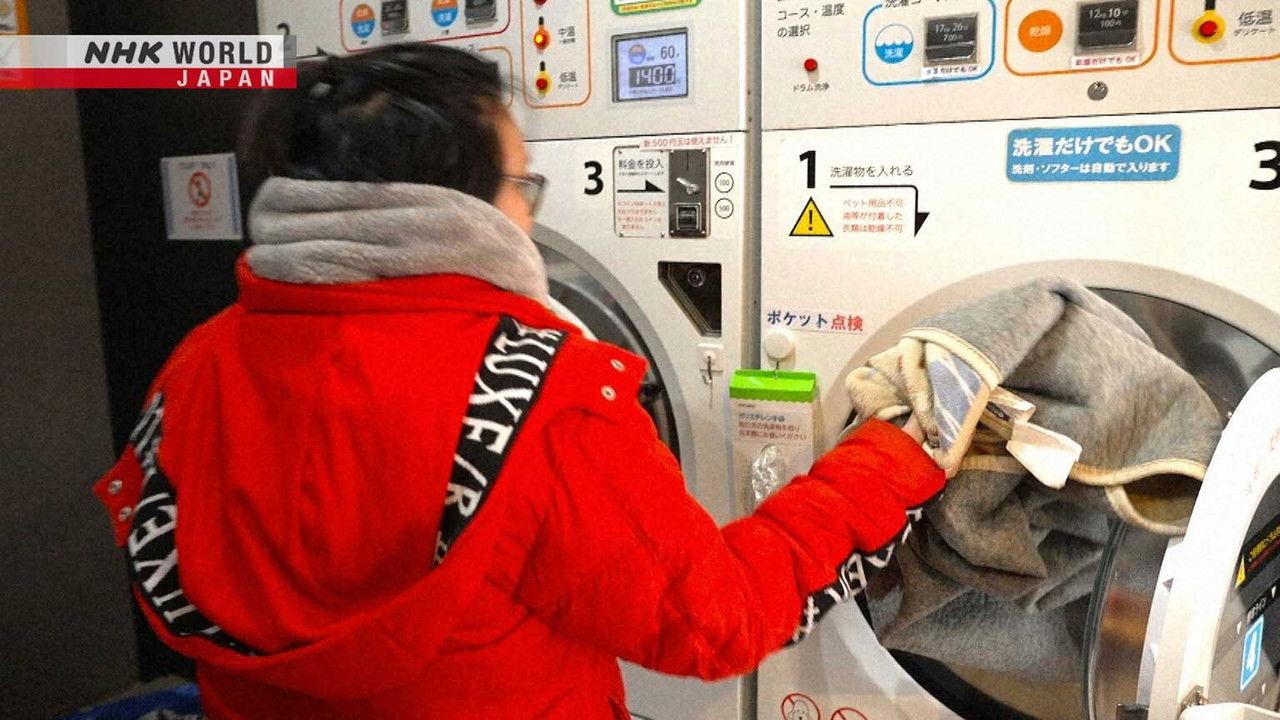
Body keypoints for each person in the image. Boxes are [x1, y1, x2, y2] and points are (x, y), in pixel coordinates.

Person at [92, 43, 944, 720]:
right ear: (454, 205)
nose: (531, 215)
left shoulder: (196, 364)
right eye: (522, 183)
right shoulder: (539, 393)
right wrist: (898, 452)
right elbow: (713, 620)